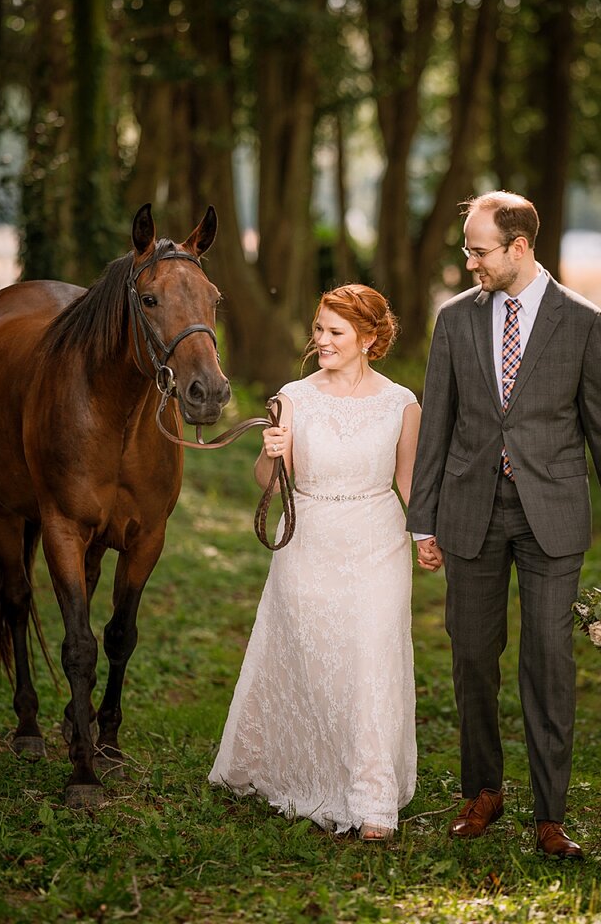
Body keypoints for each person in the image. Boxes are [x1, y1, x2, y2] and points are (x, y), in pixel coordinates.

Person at [407, 191, 601, 859]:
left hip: (552, 516)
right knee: (471, 659)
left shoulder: (582, 322)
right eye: (466, 249)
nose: (468, 264)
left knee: (548, 663)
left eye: (478, 250)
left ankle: (550, 815)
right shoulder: (455, 320)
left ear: (519, 247)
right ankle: (483, 790)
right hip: (470, 513)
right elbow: (437, 426)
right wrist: (421, 521)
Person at [209, 284, 422, 840]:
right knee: (312, 659)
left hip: (378, 541)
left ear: (369, 339)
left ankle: (372, 798)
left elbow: (408, 480)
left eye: (336, 332)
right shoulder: (293, 397)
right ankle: (310, 768)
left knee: (372, 659)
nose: (322, 341)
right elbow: (269, 484)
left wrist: (428, 534)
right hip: (309, 538)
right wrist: (270, 452)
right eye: (320, 329)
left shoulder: (401, 403)